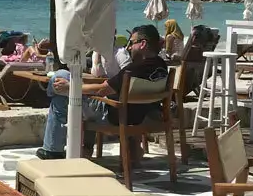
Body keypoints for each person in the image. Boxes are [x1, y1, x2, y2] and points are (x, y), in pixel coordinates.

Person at [38, 24, 168, 161]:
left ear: (143, 44)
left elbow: (101, 89)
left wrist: (71, 86)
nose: (129, 47)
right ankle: (59, 150)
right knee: (61, 95)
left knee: (61, 76)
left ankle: (54, 150)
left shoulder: (134, 69)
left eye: (132, 42)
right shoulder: (161, 66)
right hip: (139, 115)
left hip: (112, 114)